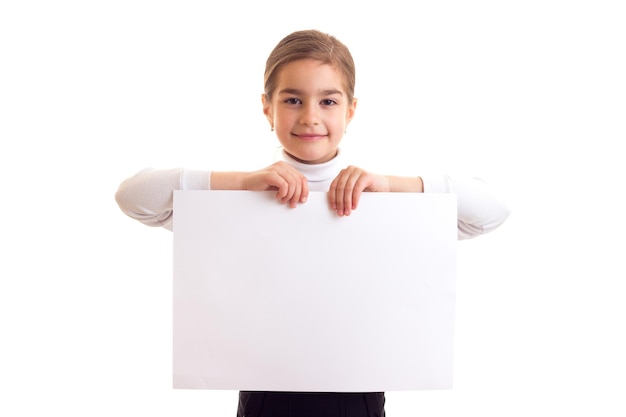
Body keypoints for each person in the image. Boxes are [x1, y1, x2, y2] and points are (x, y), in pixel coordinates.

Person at [115, 29, 510, 417]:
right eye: (292, 99)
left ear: (350, 110)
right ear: (267, 107)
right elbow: (133, 198)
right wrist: (240, 182)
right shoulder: (235, 206)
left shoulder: (388, 207)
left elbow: (492, 211)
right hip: (265, 401)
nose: (310, 117)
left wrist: (393, 187)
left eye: (328, 101)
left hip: (358, 401)